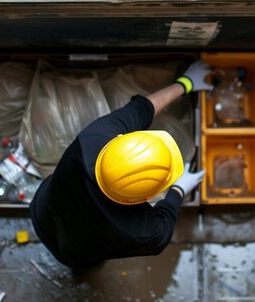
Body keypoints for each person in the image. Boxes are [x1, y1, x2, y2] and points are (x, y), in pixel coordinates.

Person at [30, 60, 213, 272]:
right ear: (143, 198)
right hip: (75, 251)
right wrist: (179, 189)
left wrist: (186, 83)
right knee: (84, 265)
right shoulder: (138, 230)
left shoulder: (93, 139)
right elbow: (163, 229)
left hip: (43, 209)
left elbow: (143, 108)